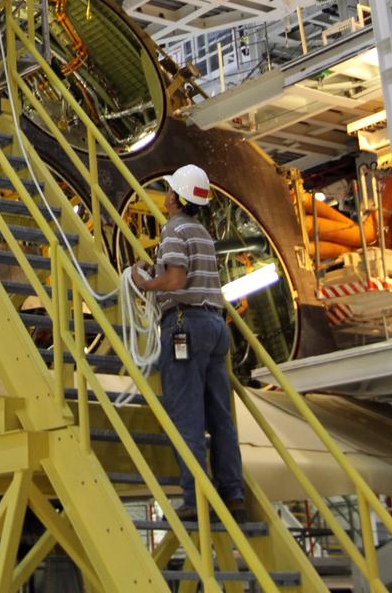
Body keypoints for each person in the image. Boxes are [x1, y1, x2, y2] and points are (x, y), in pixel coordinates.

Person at [131, 164, 246, 524]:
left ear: (177, 198)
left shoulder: (173, 230)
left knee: (188, 417)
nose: (164, 196)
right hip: (215, 326)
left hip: (185, 326)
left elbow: (176, 279)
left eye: (169, 191)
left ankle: (195, 499)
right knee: (220, 416)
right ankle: (234, 494)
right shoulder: (203, 234)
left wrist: (142, 282)